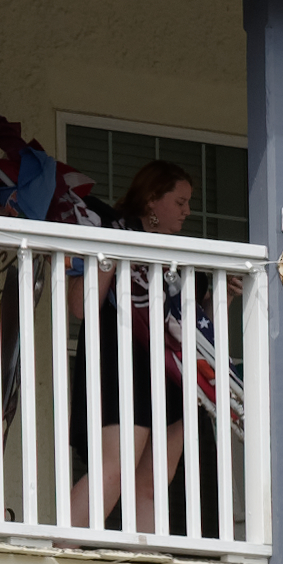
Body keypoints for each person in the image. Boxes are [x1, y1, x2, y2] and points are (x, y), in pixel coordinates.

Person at [83, 160, 226, 532]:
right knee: (115, 469)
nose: (187, 211)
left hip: (172, 371)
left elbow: (196, 324)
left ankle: (142, 557)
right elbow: (80, 307)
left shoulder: (184, 258)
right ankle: (62, 547)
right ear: (151, 200)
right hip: (126, 362)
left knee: (155, 480)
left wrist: (225, 297)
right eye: (179, 201)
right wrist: (107, 251)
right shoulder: (115, 233)